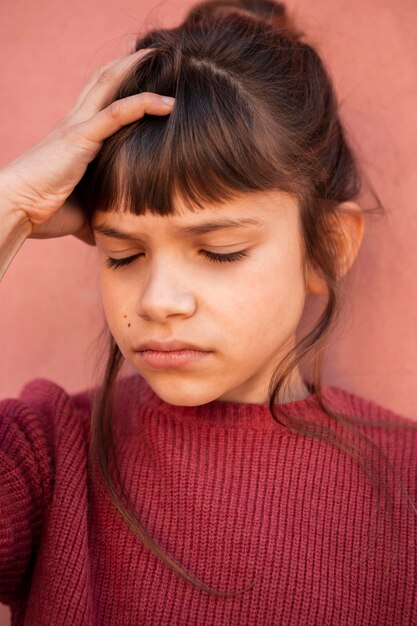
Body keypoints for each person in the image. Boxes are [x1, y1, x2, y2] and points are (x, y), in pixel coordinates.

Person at [0, 1, 416, 624]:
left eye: (219, 252)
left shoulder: (406, 490)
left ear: (326, 248)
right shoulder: (45, 459)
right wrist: (12, 207)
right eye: (123, 254)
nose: (158, 301)